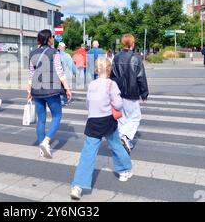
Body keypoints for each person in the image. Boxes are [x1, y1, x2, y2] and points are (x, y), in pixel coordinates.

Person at [70, 57, 132, 200]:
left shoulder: (92, 85)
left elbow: (88, 104)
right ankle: (124, 171)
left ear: (96, 69)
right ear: (109, 69)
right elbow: (118, 104)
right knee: (116, 145)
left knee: (88, 153)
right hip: (108, 120)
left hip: (93, 121)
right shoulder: (112, 85)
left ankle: (78, 186)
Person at [28, 29, 72, 159]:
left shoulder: (32, 53)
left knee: (41, 119)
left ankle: (42, 148)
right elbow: (60, 72)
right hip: (51, 89)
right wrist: (67, 89)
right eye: (52, 37)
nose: (53, 39)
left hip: (36, 89)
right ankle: (46, 142)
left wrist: (29, 91)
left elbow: (31, 73)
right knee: (57, 116)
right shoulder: (54, 52)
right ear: (49, 39)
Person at [110, 34, 149, 154]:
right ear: (132, 44)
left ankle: (123, 140)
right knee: (135, 117)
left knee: (123, 119)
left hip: (119, 91)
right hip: (132, 93)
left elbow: (112, 75)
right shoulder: (136, 59)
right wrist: (144, 93)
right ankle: (124, 136)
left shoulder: (116, 58)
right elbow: (141, 77)